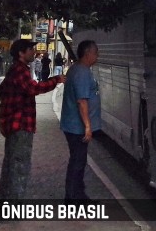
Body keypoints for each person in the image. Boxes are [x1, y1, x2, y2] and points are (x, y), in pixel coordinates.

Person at [0, 39, 66, 200]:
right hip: (20, 125)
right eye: (30, 49)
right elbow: (33, 88)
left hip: (14, 125)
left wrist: (11, 107)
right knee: (19, 167)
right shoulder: (20, 71)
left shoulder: (14, 70)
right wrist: (55, 80)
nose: (33, 52)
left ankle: (4, 206)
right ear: (21, 53)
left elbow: (2, 92)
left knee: (11, 166)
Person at [60, 40, 101, 201]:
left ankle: (78, 195)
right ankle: (72, 199)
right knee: (77, 163)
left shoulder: (77, 69)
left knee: (79, 161)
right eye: (96, 52)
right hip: (77, 127)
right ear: (87, 53)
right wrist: (88, 126)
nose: (97, 56)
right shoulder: (81, 72)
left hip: (74, 125)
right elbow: (81, 101)